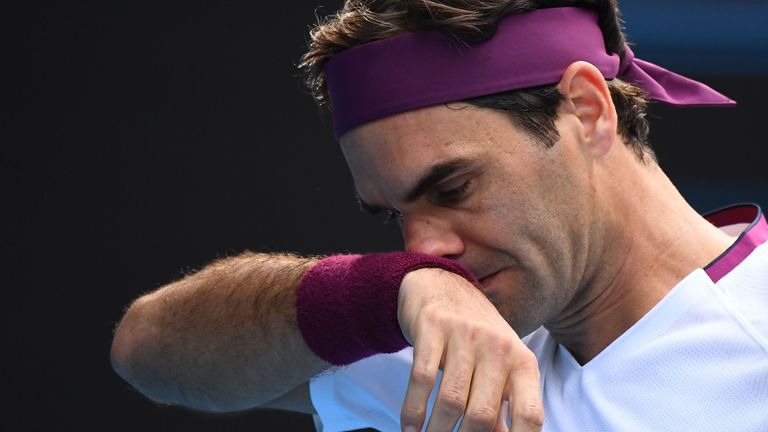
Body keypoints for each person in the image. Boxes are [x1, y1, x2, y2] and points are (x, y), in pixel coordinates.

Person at [111, 0, 768, 431]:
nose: (424, 247)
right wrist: (383, 293)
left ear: (587, 111)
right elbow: (149, 350)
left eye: (452, 188)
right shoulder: (440, 330)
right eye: (392, 215)